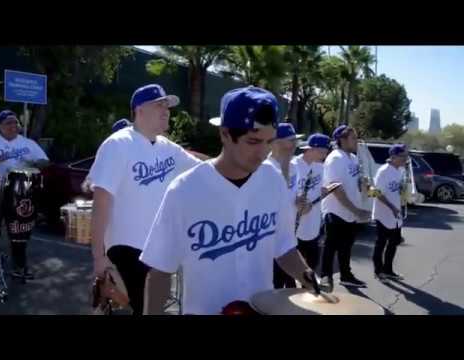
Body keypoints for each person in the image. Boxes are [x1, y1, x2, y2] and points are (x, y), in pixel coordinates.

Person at [140, 86, 314, 315]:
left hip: (261, 310)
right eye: (253, 141)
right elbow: (160, 270)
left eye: (269, 141)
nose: (263, 152)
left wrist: (309, 278)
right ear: (224, 134)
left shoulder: (272, 179)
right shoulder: (184, 190)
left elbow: (284, 248)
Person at [89, 84, 202, 315]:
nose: (166, 111)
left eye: (167, 106)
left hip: (156, 251)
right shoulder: (118, 144)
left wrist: (238, 160)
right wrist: (98, 256)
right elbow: (101, 200)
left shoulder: (168, 148)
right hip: (126, 248)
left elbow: (204, 169)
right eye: (159, 105)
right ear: (139, 110)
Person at [0, 109, 49, 279]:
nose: (13, 126)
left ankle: (19, 267)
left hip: (20, 193)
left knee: (19, 230)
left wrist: (36, 162)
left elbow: (45, 161)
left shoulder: (28, 144)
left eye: (15, 123)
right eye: (8, 123)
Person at [320, 125, 370, 291]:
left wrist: (362, 184)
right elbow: (336, 189)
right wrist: (356, 210)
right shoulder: (335, 158)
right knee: (331, 245)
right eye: (353, 138)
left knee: (346, 246)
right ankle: (325, 277)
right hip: (335, 211)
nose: (356, 141)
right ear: (342, 140)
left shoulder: (353, 158)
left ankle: (346, 276)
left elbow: (352, 183)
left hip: (351, 211)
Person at [264, 122, 302, 289]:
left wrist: (300, 203)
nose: (295, 144)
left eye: (296, 140)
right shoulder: (265, 168)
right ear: (276, 143)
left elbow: (292, 196)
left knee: (288, 285)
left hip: (288, 236)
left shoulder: (294, 166)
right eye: (290, 140)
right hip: (269, 240)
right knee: (274, 286)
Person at [293, 133, 332, 272]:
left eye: (326, 152)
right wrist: (298, 205)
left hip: (313, 224)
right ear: (310, 149)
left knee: (312, 263)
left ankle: (308, 289)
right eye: (322, 151)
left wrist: (324, 192)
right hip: (294, 226)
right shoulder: (294, 165)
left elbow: (322, 189)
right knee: (293, 267)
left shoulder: (320, 167)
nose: (325, 155)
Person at [372, 144, 408, 281]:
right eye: (402, 156)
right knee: (381, 243)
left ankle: (388, 270)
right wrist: (391, 207)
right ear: (393, 157)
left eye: (406, 156)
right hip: (383, 214)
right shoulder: (383, 171)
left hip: (396, 214)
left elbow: (401, 190)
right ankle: (378, 271)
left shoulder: (400, 171)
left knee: (394, 243)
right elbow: (374, 192)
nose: (405, 159)